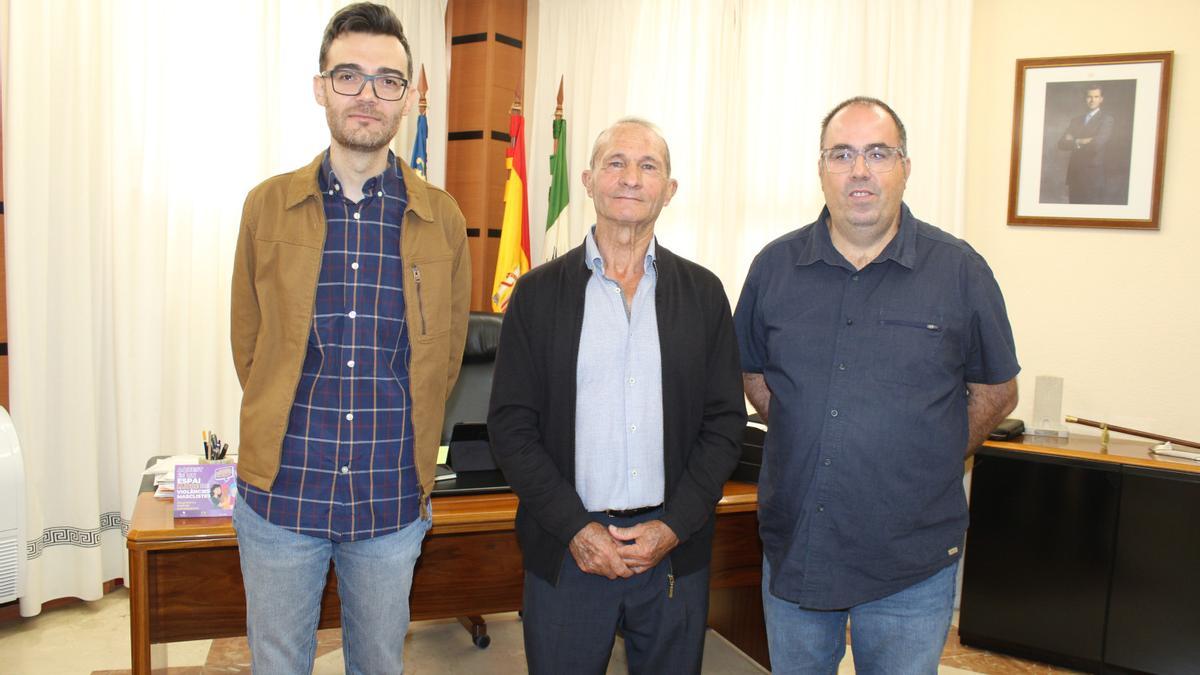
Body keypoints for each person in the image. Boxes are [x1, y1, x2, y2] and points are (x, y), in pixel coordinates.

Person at [734, 97, 1019, 674]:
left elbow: (996, 390)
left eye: (877, 153)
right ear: (821, 169)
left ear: (904, 168)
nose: (859, 170)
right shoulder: (773, 267)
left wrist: (931, 453)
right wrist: (806, 427)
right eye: (842, 154)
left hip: (910, 558)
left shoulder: (960, 270)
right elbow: (755, 375)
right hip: (798, 547)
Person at [229, 3, 470, 672]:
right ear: (319, 87)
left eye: (387, 79)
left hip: (391, 498)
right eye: (348, 76)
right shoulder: (266, 205)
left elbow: (444, 357)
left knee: (378, 664)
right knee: (278, 662)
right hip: (282, 491)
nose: (367, 94)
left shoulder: (442, 219)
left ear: (409, 94)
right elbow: (248, 341)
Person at [487, 118, 746, 674]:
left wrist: (672, 525)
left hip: (673, 550)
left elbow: (724, 424)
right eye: (616, 163)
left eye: (648, 166)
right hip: (569, 547)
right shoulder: (535, 294)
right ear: (587, 180)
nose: (631, 178)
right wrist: (577, 529)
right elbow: (511, 427)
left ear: (669, 190)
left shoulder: (703, 294)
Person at [1057, 85, 1114, 204]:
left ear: (1101, 99)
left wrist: (1073, 140)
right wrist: (1080, 141)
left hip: (1092, 176)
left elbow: (1096, 144)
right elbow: (1062, 144)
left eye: (1096, 97)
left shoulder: (1106, 120)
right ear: (1085, 98)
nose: (1092, 100)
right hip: (1074, 174)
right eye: (1089, 97)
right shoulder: (1076, 120)